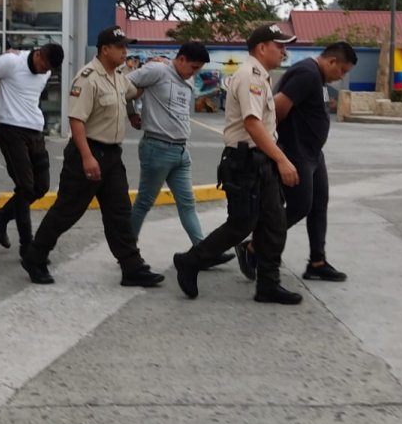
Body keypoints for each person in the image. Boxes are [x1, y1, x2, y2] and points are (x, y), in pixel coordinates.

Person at [19, 26, 165, 288]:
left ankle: (132, 267)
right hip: (87, 153)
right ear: (105, 49)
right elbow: (76, 120)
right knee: (67, 211)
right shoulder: (87, 77)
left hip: (112, 155)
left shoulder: (118, 75)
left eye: (126, 47)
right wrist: (87, 157)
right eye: (120, 47)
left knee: (119, 213)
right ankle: (35, 256)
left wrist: (155, 71)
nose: (125, 52)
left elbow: (132, 92)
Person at [172, 24, 303, 305]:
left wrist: (275, 158)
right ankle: (191, 261)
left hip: (260, 161)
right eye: (280, 45)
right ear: (261, 47)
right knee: (242, 224)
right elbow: (252, 124)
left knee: (274, 224)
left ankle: (269, 284)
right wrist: (283, 160)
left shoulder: (260, 77)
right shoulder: (250, 77)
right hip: (246, 163)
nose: (284, 51)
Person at [125, 42, 230, 265]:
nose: (194, 73)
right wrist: (132, 112)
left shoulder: (188, 79)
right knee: (144, 202)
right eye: (193, 67)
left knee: (187, 203)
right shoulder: (158, 70)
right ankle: (127, 251)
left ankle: (203, 252)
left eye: (198, 69)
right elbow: (125, 86)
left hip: (181, 151)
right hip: (157, 147)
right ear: (180, 59)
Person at [267, 42, 356, 282]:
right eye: (343, 71)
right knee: (299, 206)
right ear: (332, 62)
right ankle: (255, 246)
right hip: (296, 152)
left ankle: (317, 262)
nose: (341, 77)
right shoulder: (307, 73)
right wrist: (277, 151)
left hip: (313, 153)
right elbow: (277, 108)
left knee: (318, 205)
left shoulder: (318, 78)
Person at [0, 43, 65, 258]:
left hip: (35, 130)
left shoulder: (45, 73)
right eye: (44, 65)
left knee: (41, 186)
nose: (45, 71)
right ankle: (26, 244)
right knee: (25, 187)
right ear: (38, 54)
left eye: (49, 69)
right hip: (11, 129)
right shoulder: (12, 62)